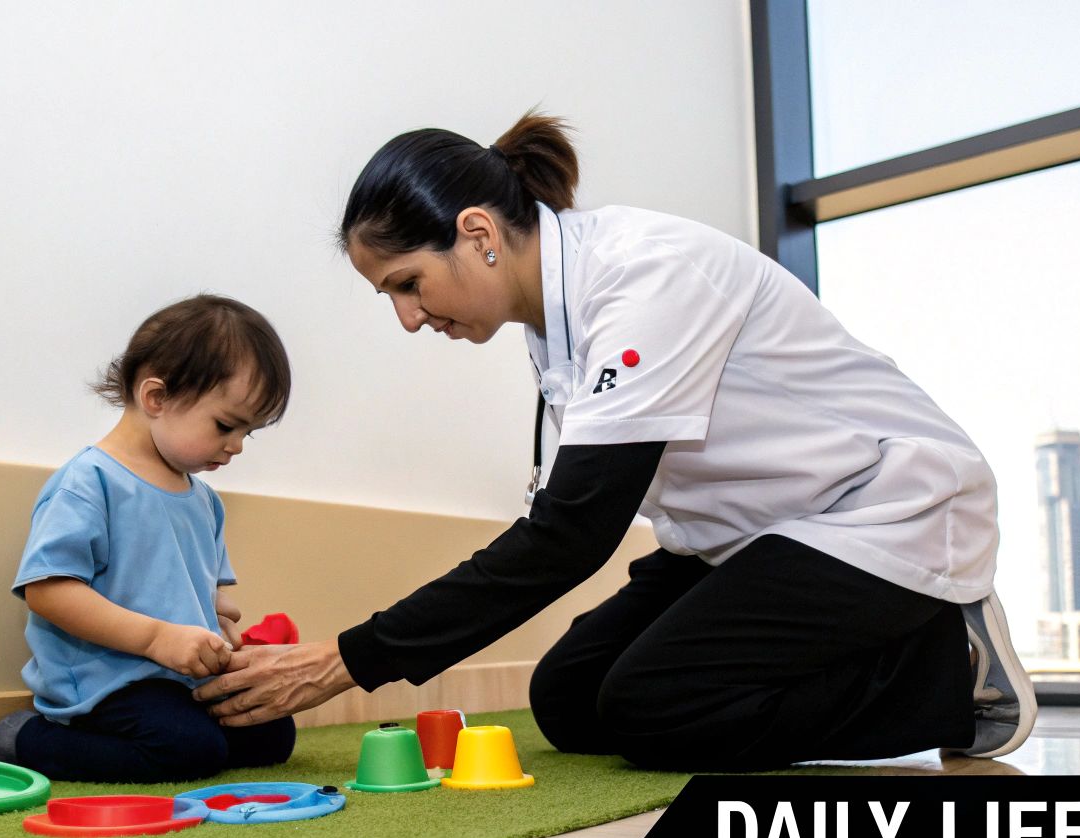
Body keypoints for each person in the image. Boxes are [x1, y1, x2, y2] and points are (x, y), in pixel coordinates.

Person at [195, 112, 1034, 770]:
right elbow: (568, 522)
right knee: (568, 700)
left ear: (479, 234)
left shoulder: (645, 280)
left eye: (407, 285)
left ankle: (946, 671)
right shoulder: (553, 323)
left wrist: (343, 661)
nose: (408, 318)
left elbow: (569, 538)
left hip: (880, 507)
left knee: (653, 706)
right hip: (753, 533)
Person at [0, 294, 296, 782]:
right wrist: (156, 637)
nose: (235, 446)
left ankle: (187, 736)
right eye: (225, 425)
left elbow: (207, 588)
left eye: (247, 433)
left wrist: (221, 621)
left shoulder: (204, 500)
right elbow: (47, 591)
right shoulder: (90, 482)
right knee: (188, 750)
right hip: (106, 682)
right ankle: (26, 740)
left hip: (177, 680)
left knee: (274, 732)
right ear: (156, 398)